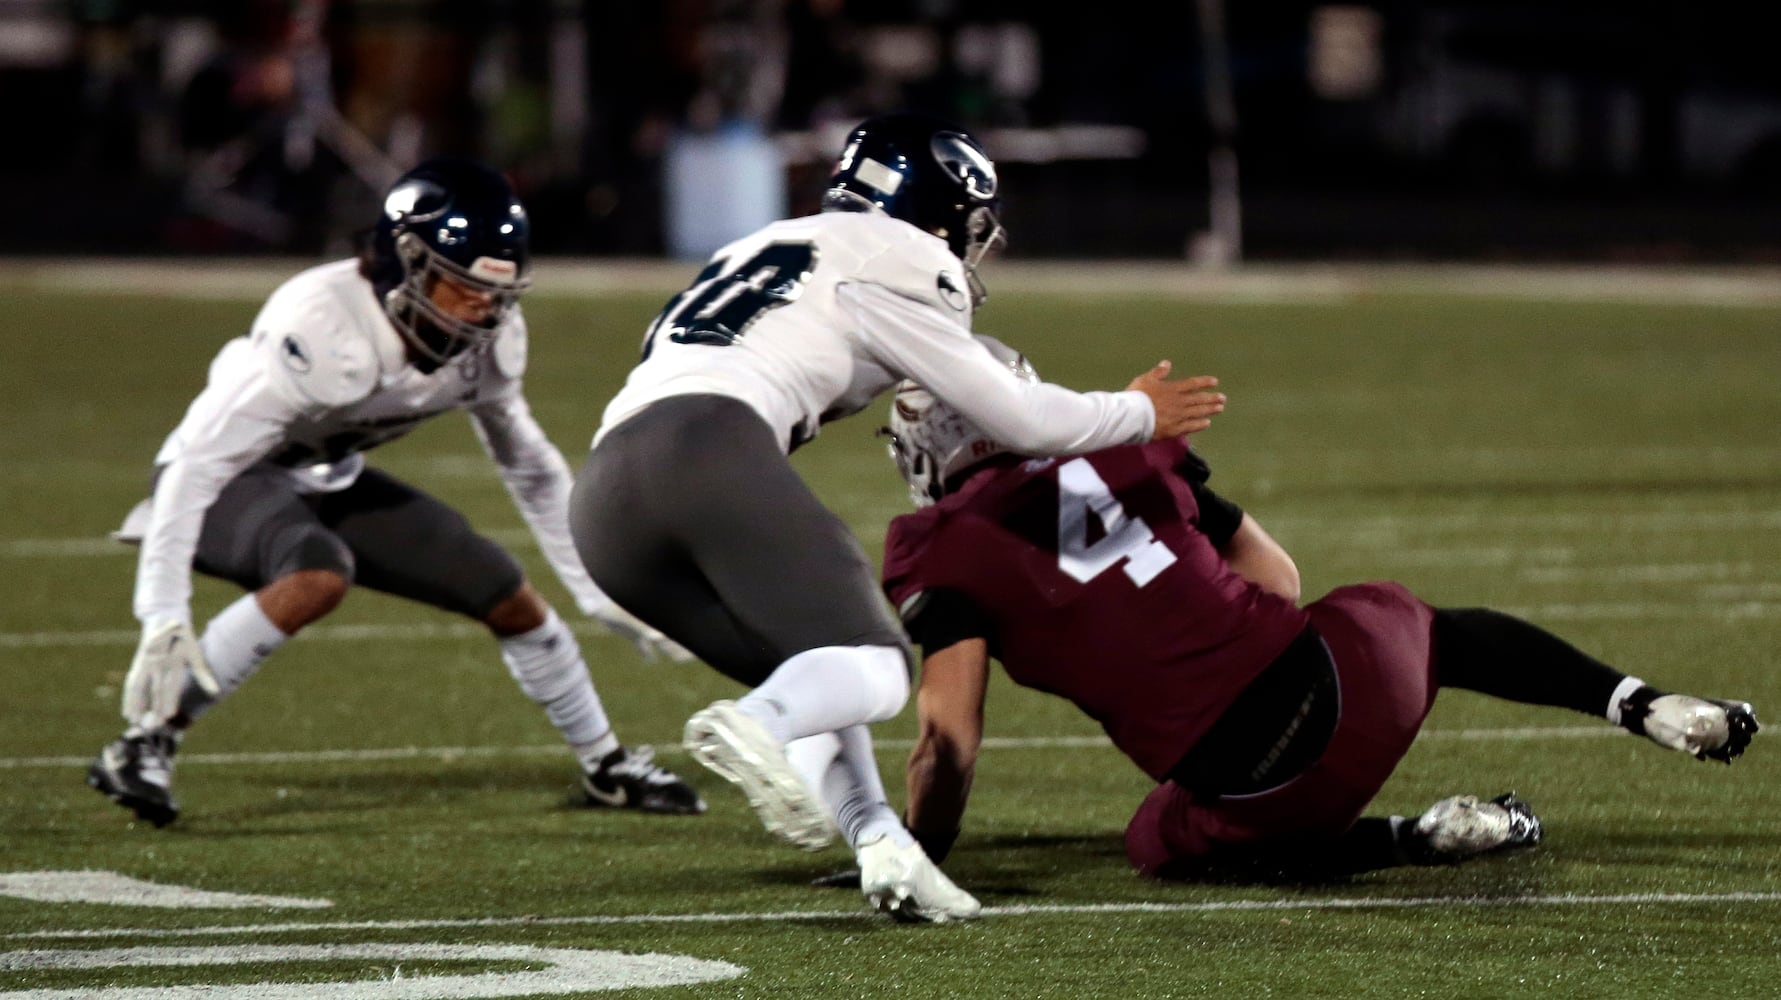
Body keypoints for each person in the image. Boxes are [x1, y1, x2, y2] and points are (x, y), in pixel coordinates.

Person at [567, 112, 1227, 921]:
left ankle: (884, 845)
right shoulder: (901, 255)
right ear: (941, 207)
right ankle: (755, 726)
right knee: (874, 667)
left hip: (604, 499)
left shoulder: (763, 243)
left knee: (816, 668)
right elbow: (1017, 418)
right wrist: (1132, 412)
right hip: (708, 446)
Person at [877, 337, 1760, 882]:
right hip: (1348, 679)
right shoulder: (1130, 449)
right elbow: (1278, 578)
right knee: (1426, 630)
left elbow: (947, 741)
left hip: (1261, 779)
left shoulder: (935, 546)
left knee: (1161, 840)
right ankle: (1640, 703)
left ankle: (1411, 839)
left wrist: (917, 855)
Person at [88, 156, 705, 828]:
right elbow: (199, 463)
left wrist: (594, 587)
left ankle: (605, 764)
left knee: (503, 591)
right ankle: (144, 742)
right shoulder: (325, 330)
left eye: (496, 293)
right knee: (318, 574)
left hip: (328, 475)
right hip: (223, 480)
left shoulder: (489, 337)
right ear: (401, 261)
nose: (482, 308)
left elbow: (527, 463)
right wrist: (162, 610)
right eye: (459, 286)